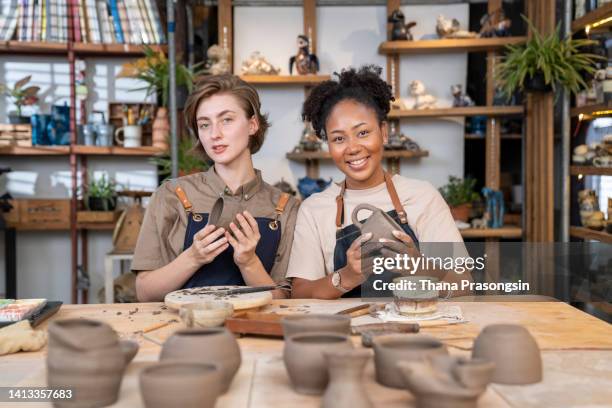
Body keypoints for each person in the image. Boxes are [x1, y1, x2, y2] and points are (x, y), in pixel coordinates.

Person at [287, 65, 470, 299]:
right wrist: (347, 276)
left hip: (416, 332)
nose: (353, 148)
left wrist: (417, 266)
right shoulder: (314, 209)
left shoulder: (422, 196)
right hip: (347, 334)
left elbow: (464, 286)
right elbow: (300, 295)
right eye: (339, 138)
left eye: (363, 133)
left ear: (383, 132)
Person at [133, 75, 299, 301]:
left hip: (257, 333)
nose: (214, 134)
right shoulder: (172, 195)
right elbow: (145, 293)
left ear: (252, 124)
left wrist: (249, 262)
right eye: (204, 124)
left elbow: (283, 301)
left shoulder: (284, 207)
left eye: (226, 120)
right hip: (183, 331)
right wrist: (193, 257)